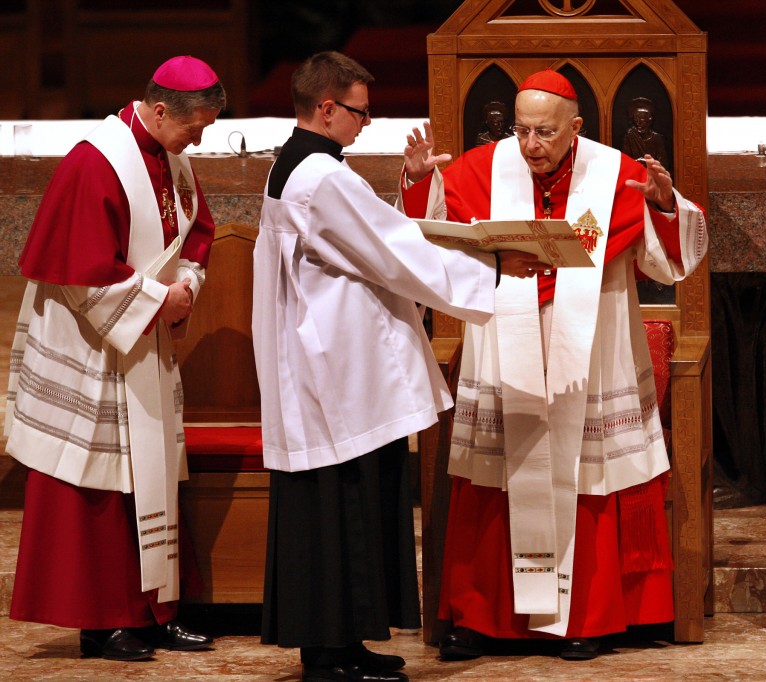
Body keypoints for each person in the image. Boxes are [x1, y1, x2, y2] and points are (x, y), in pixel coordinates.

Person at [251, 52, 543, 682]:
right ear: (326, 107)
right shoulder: (323, 177)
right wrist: (492, 268)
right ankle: (332, 653)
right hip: (340, 370)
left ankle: (340, 645)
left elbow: (366, 241)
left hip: (327, 362)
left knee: (344, 501)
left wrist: (407, 190)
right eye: (359, 110)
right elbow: (393, 252)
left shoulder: (295, 163)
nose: (366, 122)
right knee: (343, 502)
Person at [400, 69, 708, 660]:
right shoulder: (482, 167)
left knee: (583, 476)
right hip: (504, 346)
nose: (530, 145)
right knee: (496, 478)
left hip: (590, 354)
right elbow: (427, 237)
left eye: (544, 132)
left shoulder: (619, 173)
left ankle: (585, 620)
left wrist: (667, 204)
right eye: (521, 131)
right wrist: (417, 183)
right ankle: (481, 620)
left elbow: (671, 262)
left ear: (576, 128)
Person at [5, 56, 224, 661]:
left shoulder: (172, 160)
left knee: (149, 477)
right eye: (194, 127)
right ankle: (102, 622)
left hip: (142, 341)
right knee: (96, 486)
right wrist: (162, 302)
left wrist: (185, 293)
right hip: (92, 347)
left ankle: (154, 610)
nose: (199, 140)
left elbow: (197, 235)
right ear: (158, 110)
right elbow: (82, 274)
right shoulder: (94, 161)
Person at [621, 96, 667, 168]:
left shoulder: (657, 138)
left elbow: (663, 162)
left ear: (649, 120)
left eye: (642, 119)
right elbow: (625, 160)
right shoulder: (630, 136)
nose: (638, 122)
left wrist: (650, 164)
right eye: (636, 118)